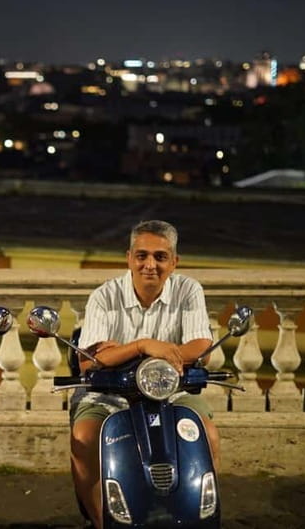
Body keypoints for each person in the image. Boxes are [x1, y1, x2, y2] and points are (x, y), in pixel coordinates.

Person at [70, 219, 217, 528]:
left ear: (174, 262)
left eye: (160, 257)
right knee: (84, 438)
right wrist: (145, 346)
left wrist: (117, 354)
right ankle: (100, 520)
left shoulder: (189, 290)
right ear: (129, 258)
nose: (150, 265)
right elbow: (89, 361)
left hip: (173, 392)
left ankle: (198, 517)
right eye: (142, 256)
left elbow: (202, 346)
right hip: (109, 394)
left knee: (207, 435)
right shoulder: (104, 296)